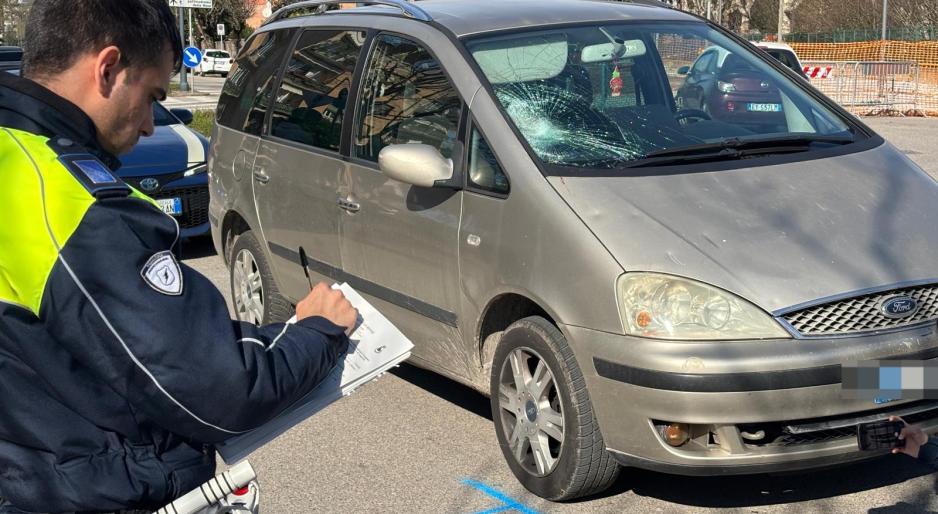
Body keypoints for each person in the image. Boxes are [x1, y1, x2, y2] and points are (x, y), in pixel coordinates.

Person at [0, 1, 357, 512]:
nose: (149, 125)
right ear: (108, 69)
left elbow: (99, 338)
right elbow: (218, 391)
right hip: (88, 491)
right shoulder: (60, 202)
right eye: (151, 97)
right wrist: (316, 333)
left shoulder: (11, 154)